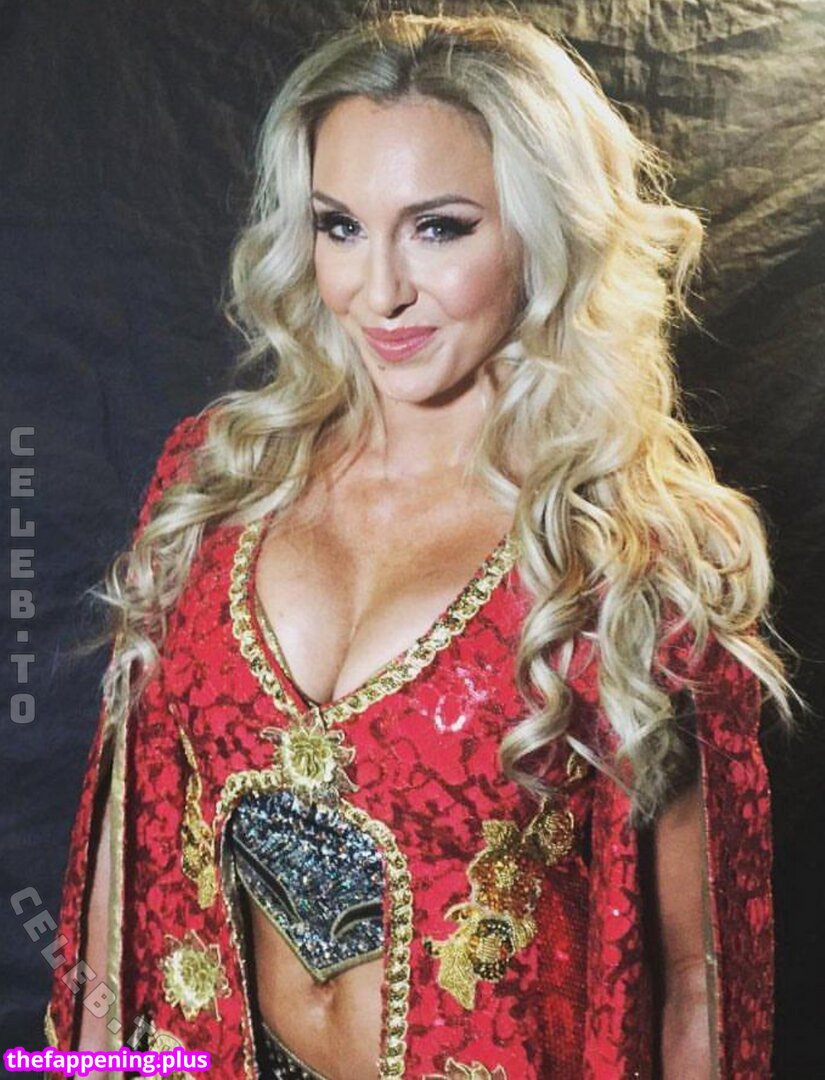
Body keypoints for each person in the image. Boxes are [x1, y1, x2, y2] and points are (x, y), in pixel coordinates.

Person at [45, 11, 793, 1080]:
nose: (379, 290)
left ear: (545, 230)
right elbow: (127, 850)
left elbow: (694, 978)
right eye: (340, 226)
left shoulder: (635, 552)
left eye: (438, 228)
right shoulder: (218, 480)